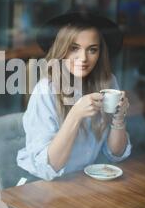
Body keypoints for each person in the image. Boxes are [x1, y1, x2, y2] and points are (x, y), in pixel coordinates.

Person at [17, 12, 131, 181]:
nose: (83, 58)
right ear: (61, 49)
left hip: (83, 182)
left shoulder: (107, 82)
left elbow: (115, 154)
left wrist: (119, 118)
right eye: (74, 48)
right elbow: (48, 168)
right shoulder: (46, 90)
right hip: (42, 185)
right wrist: (76, 114)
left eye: (92, 49)